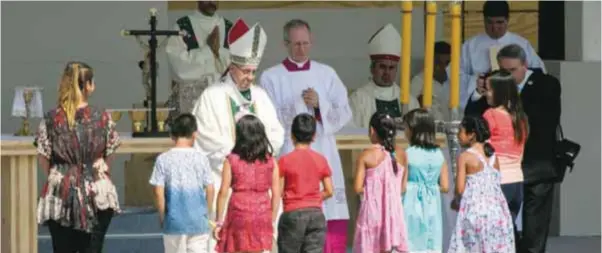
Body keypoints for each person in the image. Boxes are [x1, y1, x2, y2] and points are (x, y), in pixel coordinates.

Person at [191, 18, 285, 252]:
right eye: (245, 71)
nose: (250, 77)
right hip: (225, 180)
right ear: (232, 68)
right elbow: (204, 136)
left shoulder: (261, 96)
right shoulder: (212, 96)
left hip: (260, 191)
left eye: (253, 71)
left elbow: (276, 133)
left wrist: (258, 152)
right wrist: (240, 156)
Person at [259, 19, 351, 253]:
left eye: (305, 43)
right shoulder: (271, 77)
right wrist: (295, 103)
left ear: (312, 42)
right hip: (291, 152)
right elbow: (268, 118)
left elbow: (344, 110)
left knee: (327, 214)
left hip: (322, 150)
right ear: (286, 44)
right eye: (296, 44)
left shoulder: (326, 73)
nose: (301, 49)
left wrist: (320, 105)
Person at [464, 44, 561, 253]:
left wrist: (506, 104)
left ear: (525, 65)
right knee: (502, 227)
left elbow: (544, 122)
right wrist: (479, 94)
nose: (507, 76)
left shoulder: (547, 84)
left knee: (535, 230)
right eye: (502, 71)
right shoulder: (493, 92)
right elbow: (473, 122)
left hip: (536, 165)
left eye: (512, 71)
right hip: (504, 172)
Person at [34, 62, 121, 252]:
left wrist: (60, 173)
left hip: (61, 190)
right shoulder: (103, 117)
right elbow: (111, 152)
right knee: (93, 247)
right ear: (88, 85)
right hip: (96, 191)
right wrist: (99, 166)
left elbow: (43, 156)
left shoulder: (51, 119)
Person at [459, 0, 546, 109]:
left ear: (507, 20)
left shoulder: (521, 44)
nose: (494, 28)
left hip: (516, 100)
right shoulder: (470, 46)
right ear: (484, 20)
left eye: (499, 22)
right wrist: (480, 79)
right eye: (489, 22)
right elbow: (457, 76)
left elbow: (537, 72)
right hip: (483, 100)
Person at [213, 115, 281, 253]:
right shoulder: (271, 161)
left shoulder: (231, 160)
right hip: (262, 213)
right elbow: (276, 193)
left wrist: (219, 222)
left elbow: (223, 192)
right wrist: (271, 219)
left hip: (239, 213)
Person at [149, 113, 215, 253]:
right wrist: (206, 213)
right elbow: (210, 189)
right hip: (197, 220)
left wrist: (162, 216)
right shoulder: (201, 159)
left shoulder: (163, 159)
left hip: (174, 220)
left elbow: (158, 191)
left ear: (172, 135)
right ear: (194, 134)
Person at [448, 116, 515, 252]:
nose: (457, 135)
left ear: (472, 134)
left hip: (475, 211)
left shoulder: (465, 157)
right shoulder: (493, 156)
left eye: (460, 131)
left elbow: (460, 188)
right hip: (497, 211)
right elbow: (496, 183)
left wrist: (456, 201)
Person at [481, 70, 528, 250]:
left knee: (492, 234)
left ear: (500, 91)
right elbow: (520, 153)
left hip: (498, 181)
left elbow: (484, 150)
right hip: (517, 181)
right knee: (509, 230)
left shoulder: (491, 115)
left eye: (489, 90)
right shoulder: (520, 118)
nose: (486, 94)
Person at [165, 1, 233, 123]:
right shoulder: (182, 26)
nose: (212, 1)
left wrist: (216, 51)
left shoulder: (229, 28)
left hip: (221, 100)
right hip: (191, 101)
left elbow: (236, 66)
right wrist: (208, 50)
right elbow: (180, 68)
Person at [353, 112, 409, 253]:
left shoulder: (366, 155)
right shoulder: (402, 154)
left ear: (372, 130)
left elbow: (357, 187)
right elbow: (402, 188)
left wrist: (374, 190)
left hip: (372, 213)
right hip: (393, 213)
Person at [277, 113, 333, 253]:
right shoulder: (320, 159)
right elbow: (329, 190)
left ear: (292, 135)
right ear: (314, 136)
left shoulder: (285, 161)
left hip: (292, 214)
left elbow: (278, 191)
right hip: (316, 215)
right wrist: (313, 198)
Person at [348, 23, 419, 128]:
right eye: (382, 67)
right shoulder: (358, 99)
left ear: (396, 70)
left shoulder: (409, 101)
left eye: (391, 68)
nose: (387, 72)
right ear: (372, 68)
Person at [401, 108, 449, 253]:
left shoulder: (407, 154)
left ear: (413, 129)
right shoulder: (439, 154)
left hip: (410, 205)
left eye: (406, 128)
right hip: (432, 207)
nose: (404, 132)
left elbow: (401, 186)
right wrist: (430, 187)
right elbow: (445, 186)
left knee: (410, 242)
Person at [411, 41, 452, 121]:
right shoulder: (418, 81)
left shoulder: (455, 83)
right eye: (438, 63)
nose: (443, 67)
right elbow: (409, 111)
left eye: (447, 63)